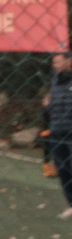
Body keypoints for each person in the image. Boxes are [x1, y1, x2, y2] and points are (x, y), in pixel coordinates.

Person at [47, 53, 72, 219]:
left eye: (58, 61)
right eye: (54, 61)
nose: (55, 64)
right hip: (57, 131)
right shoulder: (55, 80)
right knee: (63, 169)